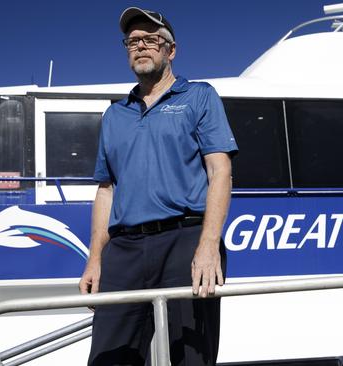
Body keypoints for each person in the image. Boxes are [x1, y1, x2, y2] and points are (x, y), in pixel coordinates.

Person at [78, 7, 238, 366]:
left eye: (151, 39)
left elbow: (220, 171)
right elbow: (106, 190)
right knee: (108, 357)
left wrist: (209, 244)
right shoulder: (114, 115)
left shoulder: (199, 97)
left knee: (190, 357)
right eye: (133, 41)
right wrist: (95, 258)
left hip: (185, 240)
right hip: (125, 248)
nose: (140, 46)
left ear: (171, 50)